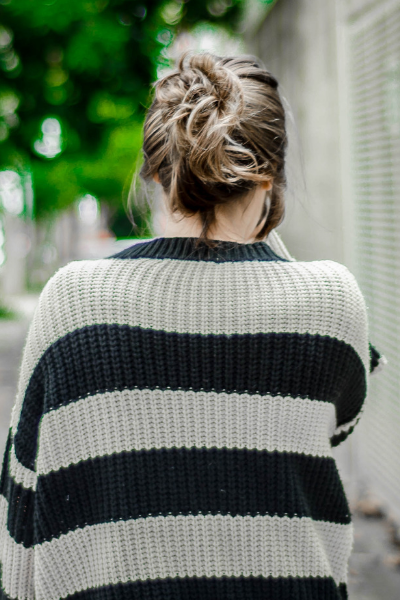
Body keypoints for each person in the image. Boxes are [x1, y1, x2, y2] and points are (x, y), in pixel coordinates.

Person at [0, 51, 387, 600]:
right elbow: (336, 425)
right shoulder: (331, 302)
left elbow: (22, 498)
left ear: (155, 171)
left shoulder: (72, 301)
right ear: (269, 176)